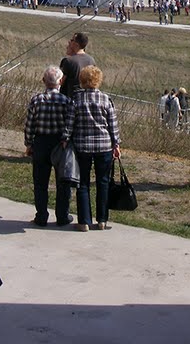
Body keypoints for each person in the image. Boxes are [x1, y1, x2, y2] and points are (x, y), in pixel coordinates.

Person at [62, 65, 120, 231]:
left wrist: (65, 138)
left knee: (83, 183)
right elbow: (112, 125)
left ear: (82, 81)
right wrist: (116, 143)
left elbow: (70, 123)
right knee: (103, 182)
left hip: (83, 146)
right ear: (98, 81)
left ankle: (84, 221)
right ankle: (102, 219)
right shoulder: (106, 99)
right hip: (104, 145)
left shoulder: (76, 100)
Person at [23, 66, 73, 227]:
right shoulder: (66, 101)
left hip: (41, 142)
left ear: (44, 81)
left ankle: (42, 215)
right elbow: (69, 124)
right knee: (62, 182)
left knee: (40, 182)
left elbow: (30, 125)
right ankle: (62, 216)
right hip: (60, 144)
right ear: (61, 81)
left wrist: (29, 143)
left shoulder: (36, 100)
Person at [58, 32, 94, 99]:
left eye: (72, 40)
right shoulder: (91, 60)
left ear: (76, 45)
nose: (69, 42)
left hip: (70, 99)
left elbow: (60, 81)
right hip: (87, 97)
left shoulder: (69, 61)